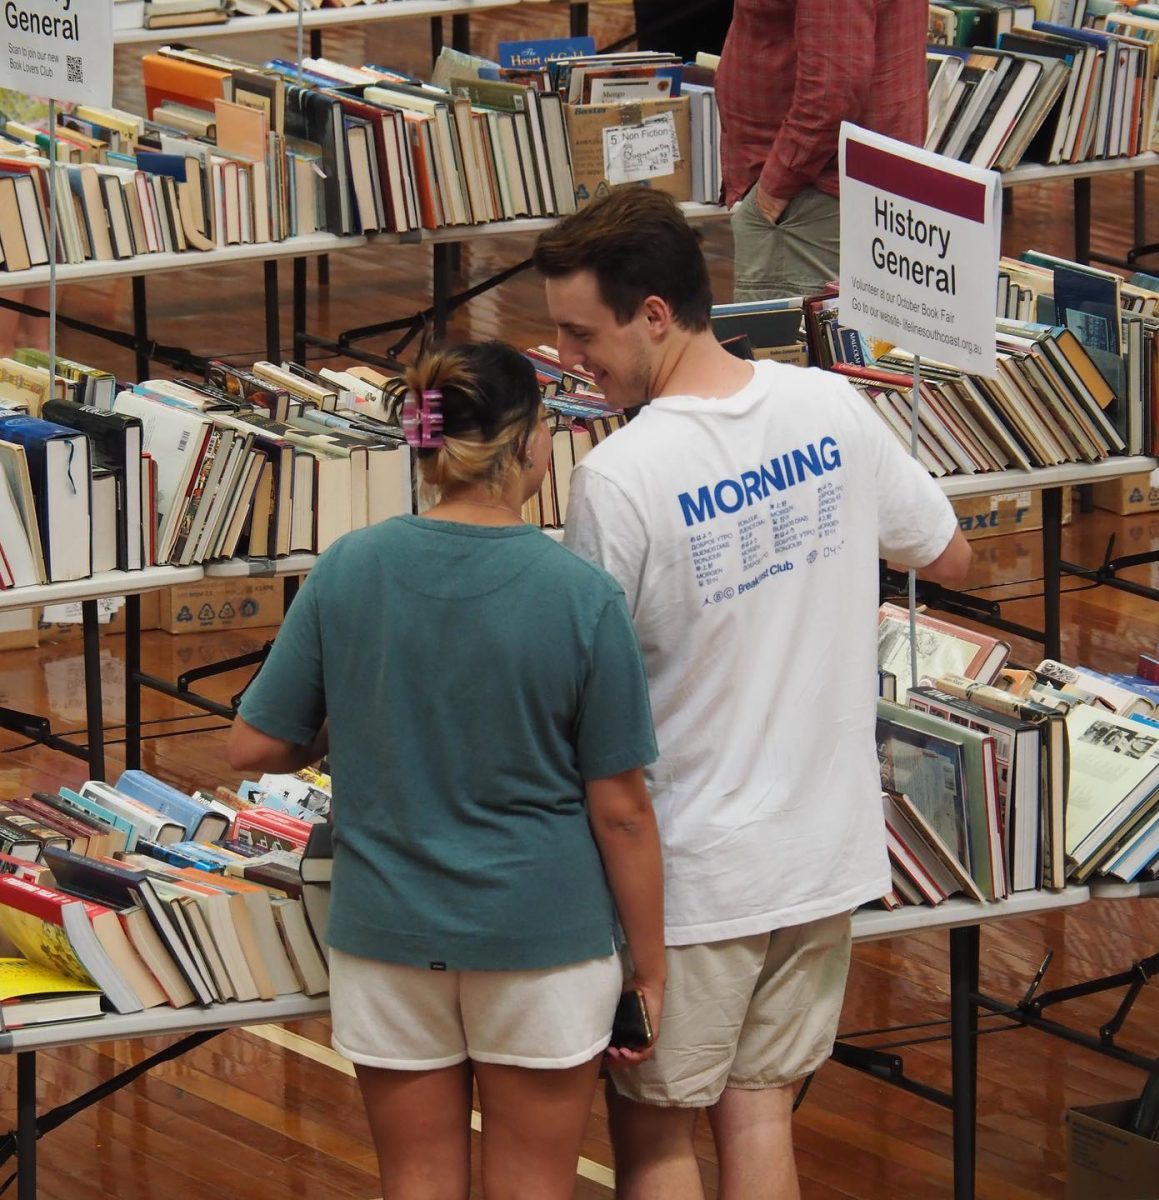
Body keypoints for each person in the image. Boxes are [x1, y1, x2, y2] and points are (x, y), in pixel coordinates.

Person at [532, 186, 972, 1200]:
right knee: (763, 1113)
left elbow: (583, 695)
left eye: (578, 332)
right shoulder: (828, 404)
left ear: (653, 315)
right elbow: (946, 551)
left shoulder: (622, 477)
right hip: (822, 851)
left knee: (654, 1139)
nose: (564, 357)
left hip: (692, 876)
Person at [227, 341, 666, 1200]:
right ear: (534, 444)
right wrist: (647, 968)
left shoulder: (348, 567)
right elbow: (621, 812)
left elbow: (254, 747)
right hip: (544, 942)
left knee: (417, 1183)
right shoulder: (581, 597)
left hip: (386, 934)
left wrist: (357, 713)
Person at [716, 0, 929, 300]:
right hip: (836, 192)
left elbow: (833, 91)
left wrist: (772, 192)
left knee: (791, 345)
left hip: (809, 200)